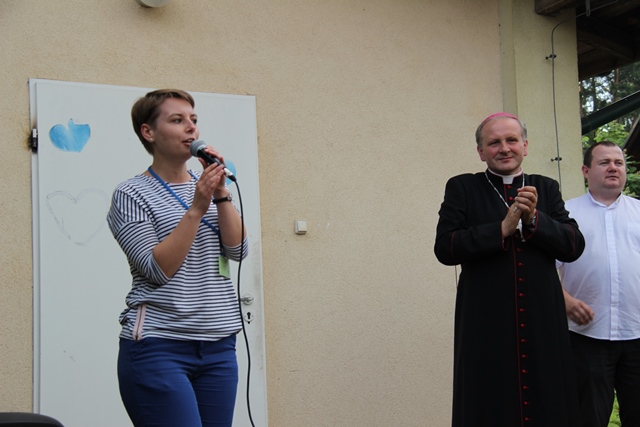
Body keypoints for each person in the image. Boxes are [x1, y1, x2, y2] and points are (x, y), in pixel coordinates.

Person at [106, 89, 248, 427]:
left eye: (194, 120)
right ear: (148, 132)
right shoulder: (131, 194)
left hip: (218, 346)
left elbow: (238, 250)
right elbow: (157, 270)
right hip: (159, 345)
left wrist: (221, 194)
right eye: (177, 120)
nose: (191, 128)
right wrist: (197, 208)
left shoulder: (208, 185)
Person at [434, 112, 585, 427]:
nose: (504, 148)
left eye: (512, 140)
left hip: (542, 321)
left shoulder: (545, 188)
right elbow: (445, 247)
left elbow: (573, 245)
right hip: (485, 322)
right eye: (494, 143)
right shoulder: (463, 187)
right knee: (488, 400)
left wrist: (534, 220)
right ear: (481, 152)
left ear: (525, 146)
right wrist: (501, 229)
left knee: (548, 400)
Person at [558, 141, 640, 427]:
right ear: (586, 170)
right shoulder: (565, 215)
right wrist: (565, 301)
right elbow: (543, 270)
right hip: (586, 336)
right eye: (604, 162)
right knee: (588, 419)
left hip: (637, 332)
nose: (613, 168)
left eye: (619, 163)